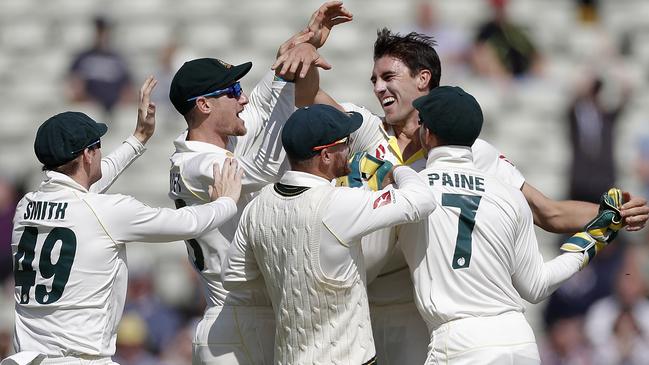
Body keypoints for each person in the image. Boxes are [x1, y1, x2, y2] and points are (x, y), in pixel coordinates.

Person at [274, 27, 649, 364]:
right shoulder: (363, 129)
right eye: (373, 79)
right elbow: (308, 100)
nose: (378, 87)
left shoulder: (473, 152)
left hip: (424, 316)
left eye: (389, 76)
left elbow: (547, 212)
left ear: (424, 79)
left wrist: (611, 212)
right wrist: (307, 54)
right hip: (363, 310)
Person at [4, 78, 244, 365]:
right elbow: (187, 222)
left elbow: (86, 183)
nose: (100, 152)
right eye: (97, 146)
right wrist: (226, 201)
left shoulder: (25, 207)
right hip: (80, 359)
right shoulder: (108, 211)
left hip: (25, 358)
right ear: (86, 154)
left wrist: (138, 138)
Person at [166, 3, 353, 364]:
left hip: (242, 319)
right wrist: (287, 77)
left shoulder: (210, 145)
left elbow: (266, 99)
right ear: (204, 105)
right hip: (237, 322)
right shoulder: (201, 164)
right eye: (233, 90)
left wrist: (302, 46)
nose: (243, 97)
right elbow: (266, 167)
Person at [398, 86, 623, 364]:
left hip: (460, 342)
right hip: (520, 341)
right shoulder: (509, 195)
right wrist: (590, 242)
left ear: (427, 134)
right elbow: (536, 285)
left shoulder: (411, 189)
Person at [222, 104, 436, 365]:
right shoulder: (338, 204)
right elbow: (422, 200)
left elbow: (233, 277)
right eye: (344, 143)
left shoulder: (257, 207)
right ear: (325, 155)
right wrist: (394, 168)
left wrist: (290, 284)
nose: (350, 150)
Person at [67, 16, 133, 115]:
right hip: (90, 106)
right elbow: (75, 85)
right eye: (99, 31)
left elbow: (127, 88)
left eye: (104, 31)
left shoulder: (117, 58)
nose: (102, 35)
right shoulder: (84, 57)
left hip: (114, 107)